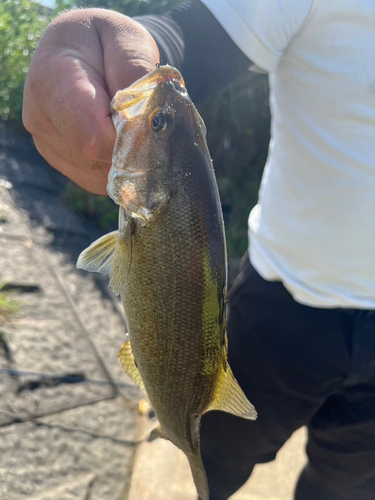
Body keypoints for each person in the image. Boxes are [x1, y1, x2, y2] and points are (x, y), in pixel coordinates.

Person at [23, 1, 375, 499]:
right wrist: (114, 45)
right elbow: (195, 39)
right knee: (217, 453)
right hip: (283, 302)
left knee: (347, 485)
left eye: (160, 125)